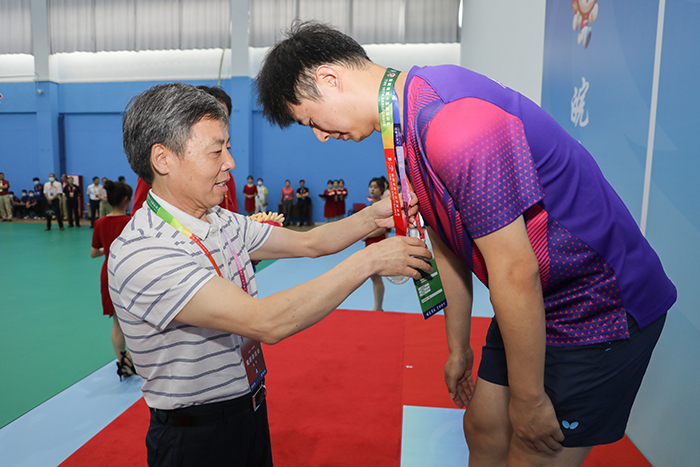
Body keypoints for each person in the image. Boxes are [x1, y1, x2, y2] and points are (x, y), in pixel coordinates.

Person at [255, 22, 677, 467]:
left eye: (311, 121)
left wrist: (530, 400)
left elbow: (515, 270)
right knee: (483, 427)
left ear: (329, 79)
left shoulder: (453, 125)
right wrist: (458, 347)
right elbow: (447, 245)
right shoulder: (405, 124)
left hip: (597, 305)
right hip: (537, 300)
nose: (320, 136)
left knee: (532, 448)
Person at [113, 82, 429, 467]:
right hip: (196, 438)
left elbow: (310, 242)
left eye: (228, 147)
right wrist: (369, 261)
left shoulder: (219, 219)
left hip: (249, 411)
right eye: (217, 150)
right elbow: (265, 321)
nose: (230, 162)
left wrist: (373, 217)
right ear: (163, 159)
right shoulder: (145, 250)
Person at [131, 85, 239, 215]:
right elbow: (142, 213)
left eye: (224, 119)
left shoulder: (225, 176)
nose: (219, 125)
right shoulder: (160, 171)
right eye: (210, 118)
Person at [91, 180, 135, 379]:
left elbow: (94, 253)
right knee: (136, 321)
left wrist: (108, 248)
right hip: (130, 274)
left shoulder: (100, 223)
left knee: (117, 323)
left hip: (109, 274)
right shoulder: (131, 222)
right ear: (126, 200)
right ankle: (133, 360)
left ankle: (122, 363)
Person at [361, 177, 388, 311]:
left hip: (377, 243)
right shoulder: (371, 207)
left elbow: (382, 229)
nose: (372, 189)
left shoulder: (382, 206)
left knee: (376, 276)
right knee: (374, 277)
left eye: (375, 187)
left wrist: (366, 235)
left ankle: (378, 307)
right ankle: (378, 307)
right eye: (370, 186)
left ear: (381, 189)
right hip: (370, 244)